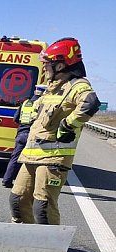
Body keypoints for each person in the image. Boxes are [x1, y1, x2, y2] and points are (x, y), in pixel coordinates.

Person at [9, 38, 101, 224]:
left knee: (42, 207)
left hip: (53, 158)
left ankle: (49, 248)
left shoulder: (77, 86)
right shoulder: (50, 89)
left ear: (60, 66)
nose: (44, 68)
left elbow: (90, 103)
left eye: (47, 65)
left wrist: (68, 124)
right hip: (31, 156)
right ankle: (24, 241)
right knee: (17, 200)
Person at [2, 84, 46, 188]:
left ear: (35, 91)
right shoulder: (43, 105)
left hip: (21, 134)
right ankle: (28, 185)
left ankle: (6, 180)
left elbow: (15, 119)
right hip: (33, 136)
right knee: (32, 161)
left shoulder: (26, 103)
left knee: (15, 158)